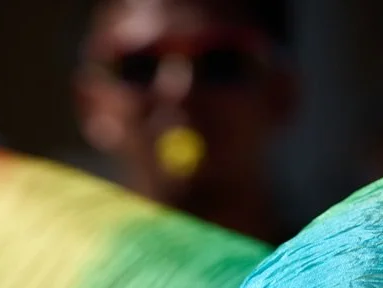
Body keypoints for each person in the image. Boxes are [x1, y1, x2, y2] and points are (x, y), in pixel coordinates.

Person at [74, 0, 298, 243]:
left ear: (279, 95)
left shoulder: (333, 273)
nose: (179, 89)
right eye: (139, 66)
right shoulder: (49, 274)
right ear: (90, 104)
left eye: (220, 63)